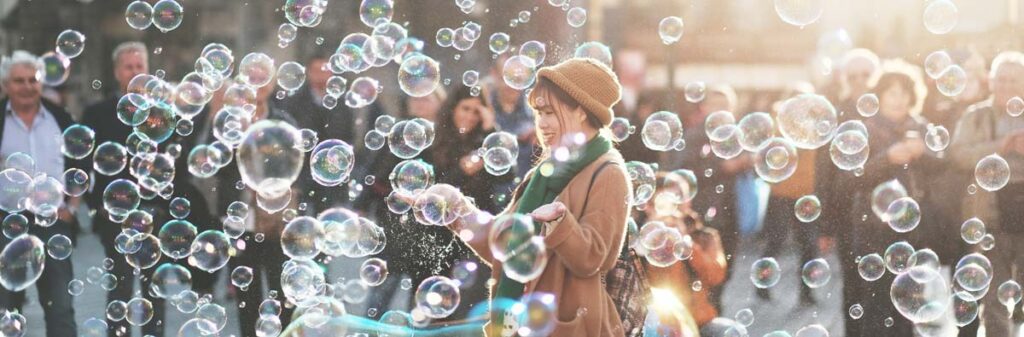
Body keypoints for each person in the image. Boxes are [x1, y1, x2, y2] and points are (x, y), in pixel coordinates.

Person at [449, 58, 630, 337]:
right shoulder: (544, 173)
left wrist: (561, 222)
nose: (541, 123)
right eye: (538, 113)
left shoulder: (608, 172)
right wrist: (456, 208)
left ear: (581, 112)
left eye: (549, 113)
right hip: (520, 325)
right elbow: (504, 244)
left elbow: (593, 258)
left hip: (570, 328)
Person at [841, 59, 936, 337]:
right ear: (880, 96)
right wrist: (887, 159)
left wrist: (924, 154)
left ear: (913, 97)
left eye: (905, 93)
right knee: (875, 305)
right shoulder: (864, 129)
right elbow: (849, 178)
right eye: (892, 92)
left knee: (909, 305)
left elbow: (946, 164)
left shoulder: (921, 128)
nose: (899, 99)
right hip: (873, 230)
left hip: (914, 232)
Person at [0, 50, 78, 336]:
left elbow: (80, 165)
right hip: (5, 225)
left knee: (60, 307)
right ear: (6, 85)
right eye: (18, 80)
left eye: (32, 80)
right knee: (5, 308)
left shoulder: (60, 117)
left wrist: (71, 208)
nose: (26, 86)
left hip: (53, 222)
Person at [218, 78, 300, 337]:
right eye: (252, 77)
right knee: (247, 297)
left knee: (282, 291)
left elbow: (297, 166)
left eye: (263, 77)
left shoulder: (284, 123)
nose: (258, 84)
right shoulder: (229, 123)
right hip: (241, 219)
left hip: (276, 221)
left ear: (273, 84)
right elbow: (218, 167)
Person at [949, 51, 1024, 337]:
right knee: (993, 296)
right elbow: (957, 155)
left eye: (1014, 81)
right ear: (991, 82)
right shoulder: (976, 115)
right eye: (1001, 80)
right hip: (990, 216)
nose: (1006, 86)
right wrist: (999, 146)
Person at [639, 173, 726, 334]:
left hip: (699, 320)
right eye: (666, 202)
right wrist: (652, 239)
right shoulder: (640, 241)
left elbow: (716, 275)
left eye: (679, 200)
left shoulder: (705, 236)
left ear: (688, 202)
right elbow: (645, 283)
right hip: (656, 323)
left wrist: (686, 242)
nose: (675, 208)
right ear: (650, 207)